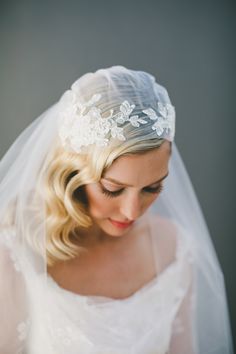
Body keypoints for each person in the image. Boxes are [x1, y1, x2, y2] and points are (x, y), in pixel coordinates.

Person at [0, 66, 233, 354]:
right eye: (112, 188)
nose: (132, 212)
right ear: (73, 173)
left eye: (152, 188)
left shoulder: (175, 251)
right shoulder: (18, 247)